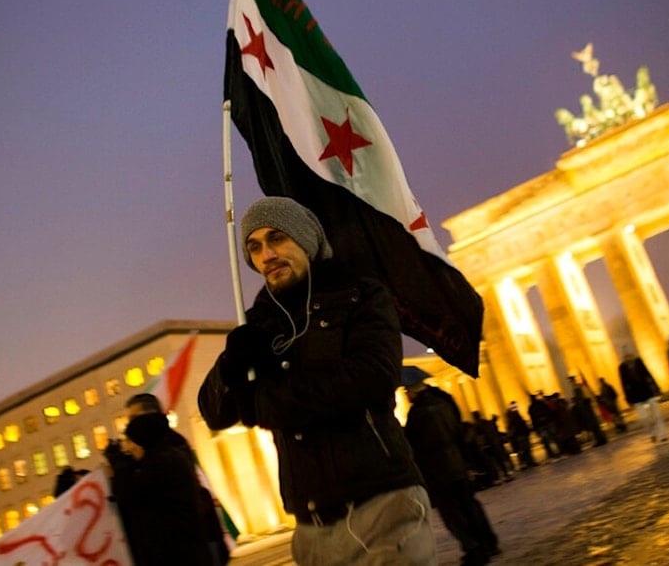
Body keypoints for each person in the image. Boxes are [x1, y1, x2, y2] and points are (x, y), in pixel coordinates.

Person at [197, 196, 437, 565]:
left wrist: (261, 403)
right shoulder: (259, 321)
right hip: (310, 530)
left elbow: (372, 376)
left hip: (382, 506)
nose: (266, 255)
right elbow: (214, 413)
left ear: (305, 238)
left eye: (277, 238)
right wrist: (230, 367)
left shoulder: (361, 293)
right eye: (255, 247)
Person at [126, 394, 231, 565]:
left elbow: (143, 494)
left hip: (182, 548)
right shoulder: (166, 449)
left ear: (150, 415)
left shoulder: (168, 450)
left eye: (134, 418)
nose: (131, 426)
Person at [404, 382, 500, 566]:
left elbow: (414, 443)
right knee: (470, 506)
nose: (406, 395)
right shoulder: (444, 404)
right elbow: (458, 432)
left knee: (451, 512)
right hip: (457, 464)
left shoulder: (418, 414)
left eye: (407, 390)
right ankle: (489, 542)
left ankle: (473, 548)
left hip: (438, 470)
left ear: (414, 391)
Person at [105, 412, 212, 565]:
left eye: (132, 441)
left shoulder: (159, 464)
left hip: (174, 551)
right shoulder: (169, 457)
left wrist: (120, 465)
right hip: (185, 547)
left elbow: (127, 494)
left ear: (143, 440)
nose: (128, 448)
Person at [618, 351, 668, 443]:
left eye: (629, 355)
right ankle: (652, 433)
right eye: (626, 356)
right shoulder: (622, 368)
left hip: (647, 391)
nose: (628, 357)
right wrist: (628, 398)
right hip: (636, 396)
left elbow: (648, 374)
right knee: (644, 418)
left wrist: (656, 387)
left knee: (657, 415)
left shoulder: (638, 362)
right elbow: (623, 383)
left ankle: (663, 434)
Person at [504, 402, 537, 469]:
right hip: (520, 435)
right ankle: (527, 462)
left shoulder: (513, 416)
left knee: (524, 449)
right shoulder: (514, 416)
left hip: (520, 435)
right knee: (524, 449)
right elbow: (518, 426)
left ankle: (527, 463)